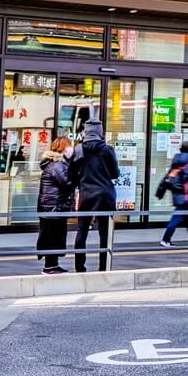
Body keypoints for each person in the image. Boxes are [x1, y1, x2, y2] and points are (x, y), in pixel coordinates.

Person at [68, 116, 119, 272]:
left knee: (82, 231)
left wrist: (81, 182)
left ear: (85, 132)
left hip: (86, 194)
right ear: (100, 132)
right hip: (105, 194)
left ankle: (79, 267)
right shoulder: (107, 149)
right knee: (104, 233)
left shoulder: (78, 149)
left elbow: (70, 174)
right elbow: (115, 173)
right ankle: (103, 267)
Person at [36, 136, 74, 274]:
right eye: (69, 146)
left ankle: (52, 265)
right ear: (63, 148)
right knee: (53, 236)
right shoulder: (57, 165)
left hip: (51, 206)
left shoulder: (53, 164)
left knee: (52, 236)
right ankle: (49, 267)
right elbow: (67, 182)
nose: (72, 149)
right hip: (53, 207)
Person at [157, 150, 188, 247]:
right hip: (187, 198)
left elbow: (165, 182)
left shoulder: (174, 169)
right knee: (177, 219)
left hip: (178, 198)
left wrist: (159, 194)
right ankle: (166, 239)